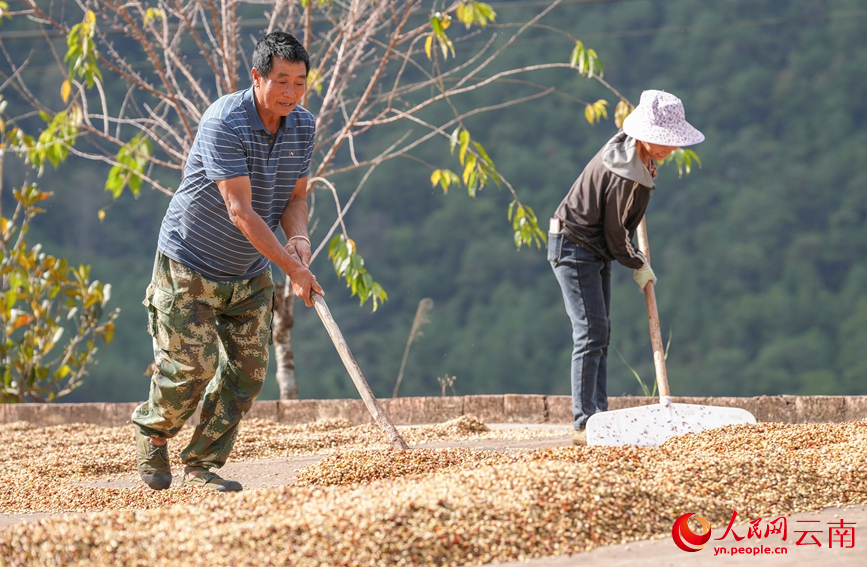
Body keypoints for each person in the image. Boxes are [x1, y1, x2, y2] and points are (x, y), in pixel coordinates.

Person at [132, 31, 324, 492]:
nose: (291, 93)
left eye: (300, 83)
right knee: (191, 370)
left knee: (248, 374)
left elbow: (295, 197)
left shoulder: (303, 126)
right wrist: (293, 269)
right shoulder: (225, 120)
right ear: (257, 76)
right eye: (281, 81)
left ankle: (201, 464)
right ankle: (153, 431)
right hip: (190, 262)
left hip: (249, 270)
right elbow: (240, 211)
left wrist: (298, 239)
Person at [548, 90, 704, 446]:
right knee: (590, 332)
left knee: (600, 332)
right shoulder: (625, 173)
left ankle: (598, 416)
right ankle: (584, 423)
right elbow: (616, 235)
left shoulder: (638, 155)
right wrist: (638, 262)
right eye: (663, 140)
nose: (670, 148)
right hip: (574, 245)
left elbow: (617, 229)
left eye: (673, 141)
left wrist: (631, 253)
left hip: (594, 249)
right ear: (644, 135)